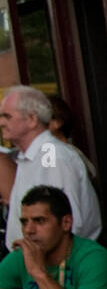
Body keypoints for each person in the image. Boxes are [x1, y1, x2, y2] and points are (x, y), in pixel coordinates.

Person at [0, 185, 107, 289]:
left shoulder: (93, 257)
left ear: (66, 223)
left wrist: (39, 274)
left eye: (39, 221)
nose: (29, 230)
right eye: (24, 222)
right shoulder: (22, 256)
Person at [1, 86, 101, 249]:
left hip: (57, 266)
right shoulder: (32, 156)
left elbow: (63, 222)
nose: (1, 122)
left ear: (32, 120)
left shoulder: (52, 155)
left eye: (7, 116)